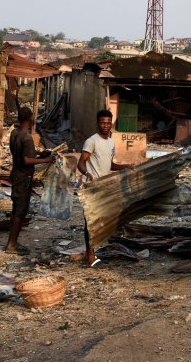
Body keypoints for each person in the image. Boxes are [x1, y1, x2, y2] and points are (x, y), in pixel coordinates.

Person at [77, 109, 129, 266]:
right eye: (102, 123)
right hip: (92, 187)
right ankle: (90, 256)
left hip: (105, 187)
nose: (105, 126)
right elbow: (81, 162)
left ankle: (92, 252)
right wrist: (88, 173)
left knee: (100, 221)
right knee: (90, 221)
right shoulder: (91, 141)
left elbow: (109, 164)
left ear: (111, 123)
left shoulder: (111, 142)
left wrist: (123, 167)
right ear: (97, 123)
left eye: (108, 123)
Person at [6, 106, 54, 255]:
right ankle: (12, 245)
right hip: (23, 177)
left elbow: (18, 155)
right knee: (20, 211)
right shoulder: (27, 137)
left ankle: (12, 242)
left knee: (16, 210)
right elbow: (26, 160)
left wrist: (39, 156)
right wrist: (46, 159)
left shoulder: (14, 134)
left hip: (16, 174)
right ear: (30, 119)